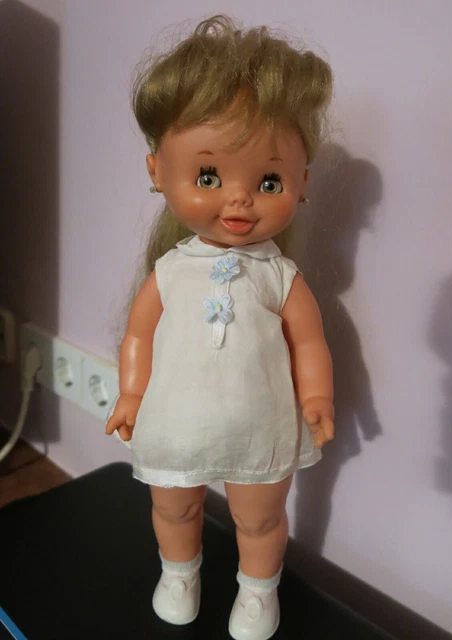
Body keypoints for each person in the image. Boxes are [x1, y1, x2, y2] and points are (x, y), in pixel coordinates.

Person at [106, 15, 334, 640]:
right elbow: (138, 335)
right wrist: (131, 392)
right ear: (157, 171)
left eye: (268, 181)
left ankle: (258, 592)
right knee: (173, 507)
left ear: (302, 184)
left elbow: (309, 341)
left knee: (259, 519)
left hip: (261, 422)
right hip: (175, 419)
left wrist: (316, 397)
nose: (239, 199)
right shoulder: (170, 272)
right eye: (209, 177)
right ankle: (179, 574)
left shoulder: (279, 276)